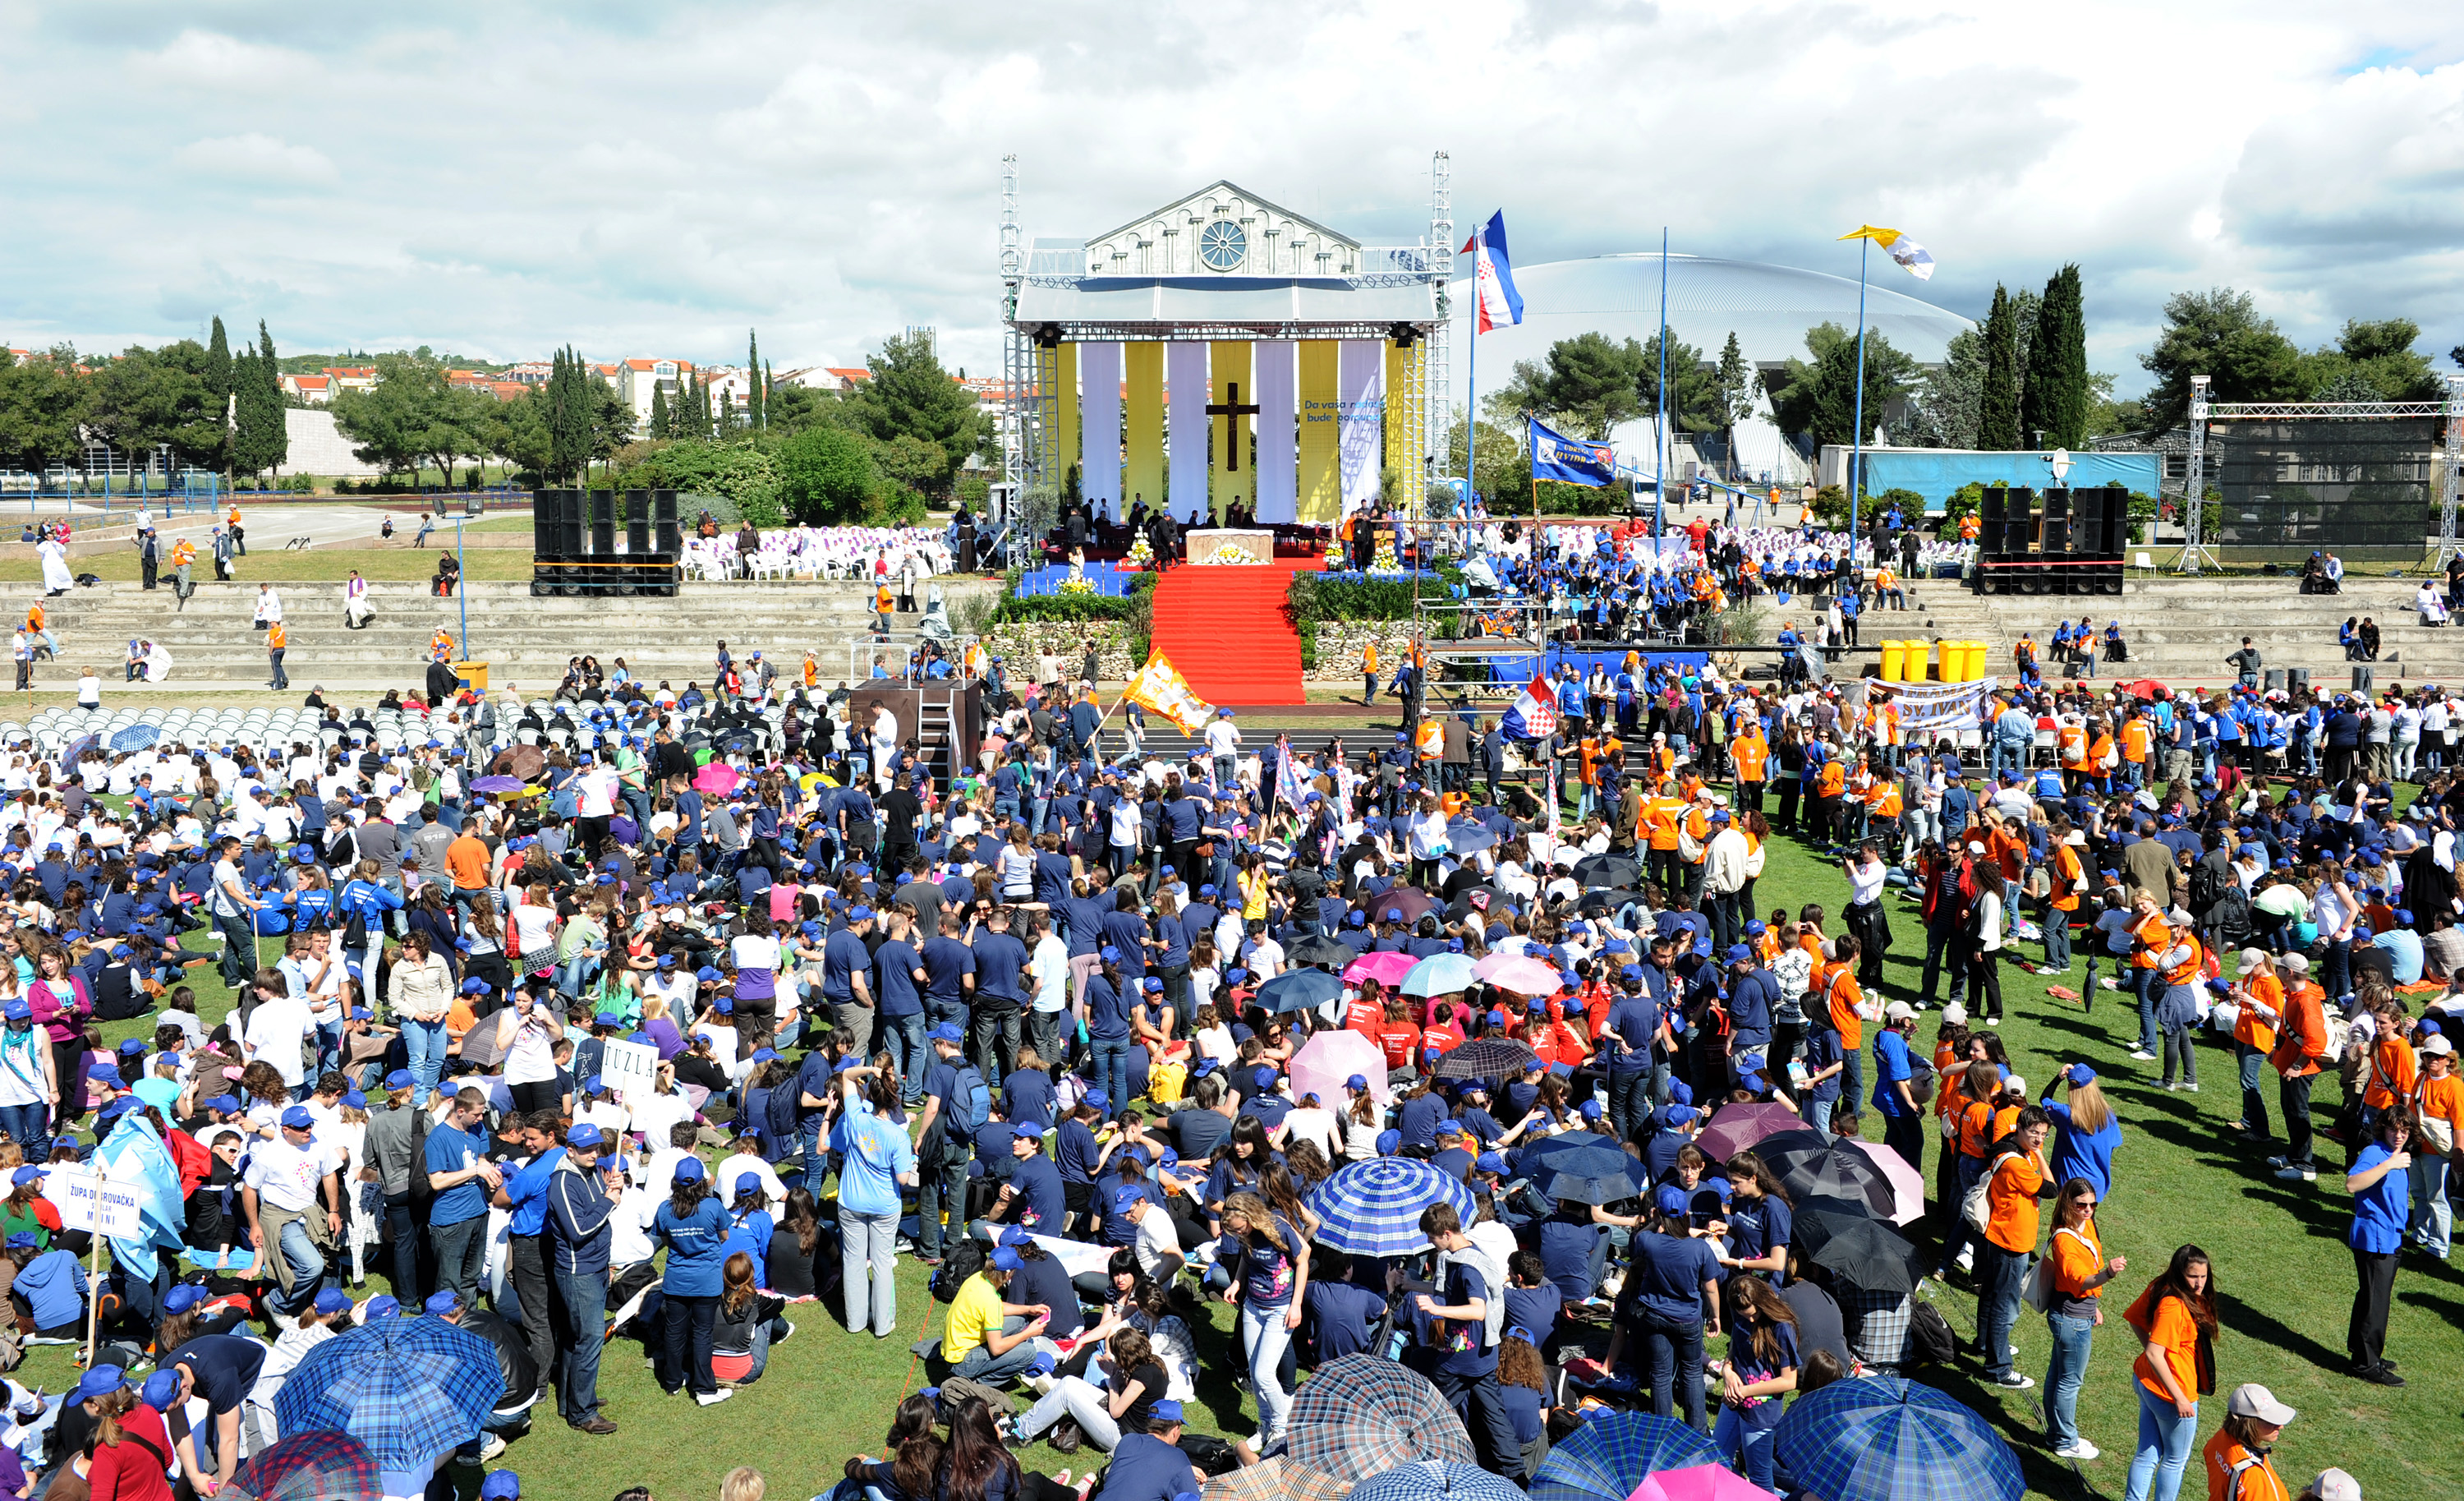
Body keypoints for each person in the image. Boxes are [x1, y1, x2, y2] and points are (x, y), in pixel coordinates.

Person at [2123, 1245, 2217, 1501]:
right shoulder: (2174, 1306)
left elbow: (2135, 1319)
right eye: (2192, 1276)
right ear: (2179, 1272)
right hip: (2172, 1395)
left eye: (2203, 1276)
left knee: (2147, 1452)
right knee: (2175, 1460)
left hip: (2147, 1383)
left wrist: (2155, 1356)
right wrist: (2180, 1398)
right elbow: (2155, 1353)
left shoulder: (2160, 1286)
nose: (2199, 1284)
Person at [2043, 1176, 2126, 1461]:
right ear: (2069, 1203)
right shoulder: (2065, 1241)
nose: (2088, 1210)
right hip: (2072, 1319)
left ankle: (2056, 1434)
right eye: (2082, 1205)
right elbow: (2082, 1279)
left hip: (2075, 1313)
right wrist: (2109, 1274)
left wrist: (2094, 1305)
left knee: (2058, 1376)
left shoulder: (2084, 1224)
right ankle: (2065, 1440)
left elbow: (2089, 1269)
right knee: (2069, 1383)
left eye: (2093, 1204)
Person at [1217, 1190, 1306, 1445]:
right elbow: (1246, 1258)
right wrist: (1237, 1282)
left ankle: (1280, 1427)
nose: (1239, 1233)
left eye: (1240, 1228)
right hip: (1253, 1307)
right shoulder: (1245, 1235)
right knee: (1255, 1371)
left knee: (1264, 1374)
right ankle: (1265, 1424)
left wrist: (1296, 1304)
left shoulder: (1279, 1229)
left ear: (1251, 1216)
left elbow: (1303, 1261)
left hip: (1280, 1309)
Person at [1976, 1105, 2053, 1390]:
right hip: (2012, 1240)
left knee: (1991, 1295)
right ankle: (1999, 1368)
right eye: (2034, 1133)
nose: (2038, 1140)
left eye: (2044, 1135)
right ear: (2019, 1128)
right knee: (2005, 1306)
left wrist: (2034, 1149)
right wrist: (2040, 1155)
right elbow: (2051, 1188)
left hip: (1999, 1234)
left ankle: (1986, 1345)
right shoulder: (2017, 1164)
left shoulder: (2007, 1148)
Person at [650, 1157, 733, 1406]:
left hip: (676, 1280)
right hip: (707, 1282)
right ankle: (704, 1389)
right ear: (702, 1183)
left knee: (674, 1332)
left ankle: (673, 1382)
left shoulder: (665, 1209)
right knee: (702, 1334)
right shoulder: (713, 1206)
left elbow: (665, 1241)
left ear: (675, 1182)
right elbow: (725, 1236)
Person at [1711, 1276, 1799, 1489]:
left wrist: (1744, 1391)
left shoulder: (1782, 1327)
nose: (1750, 1320)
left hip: (1760, 1414)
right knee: (1715, 1458)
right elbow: (1734, 1349)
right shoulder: (1740, 1313)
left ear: (1762, 1302)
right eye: (1744, 1315)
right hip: (1734, 1401)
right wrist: (1727, 1370)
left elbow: (1789, 1381)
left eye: (1753, 1314)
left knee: (1759, 1476)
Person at [2342, 1111, 2410, 1386]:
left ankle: (2362, 1351)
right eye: (2394, 1130)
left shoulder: (2397, 1155)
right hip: (2375, 1239)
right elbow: (2352, 1184)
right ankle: (2366, 1364)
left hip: (2389, 1239)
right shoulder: (2375, 1153)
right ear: (2383, 1129)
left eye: (2404, 1131)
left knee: (2370, 1297)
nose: (2399, 1136)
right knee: (2376, 1304)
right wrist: (2389, 1165)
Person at [2203, 1384, 2296, 1501]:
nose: (2280, 1426)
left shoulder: (2221, 1438)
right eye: (2270, 1422)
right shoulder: (2253, 1475)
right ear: (2248, 1423)